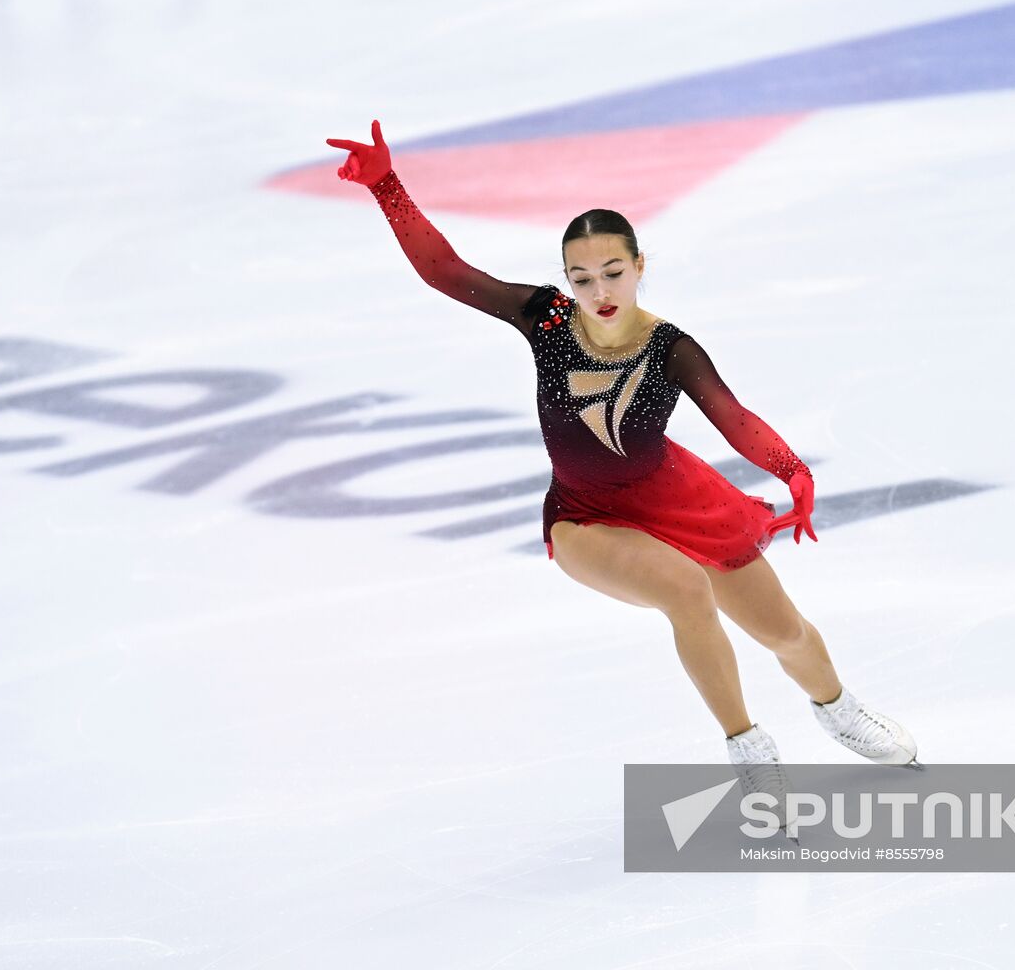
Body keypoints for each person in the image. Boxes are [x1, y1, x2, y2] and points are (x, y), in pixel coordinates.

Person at [327, 119, 919, 803]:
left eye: (613, 272)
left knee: (783, 631)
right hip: (586, 517)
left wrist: (794, 470)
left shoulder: (671, 348)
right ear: (566, 280)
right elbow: (447, 273)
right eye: (581, 277)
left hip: (677, 496)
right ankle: (750, 749)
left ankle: (840, 709)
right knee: (685, 591)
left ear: (640, 267)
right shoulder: (545, 319)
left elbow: (732, 417)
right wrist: (387, 187)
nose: (598, 289)